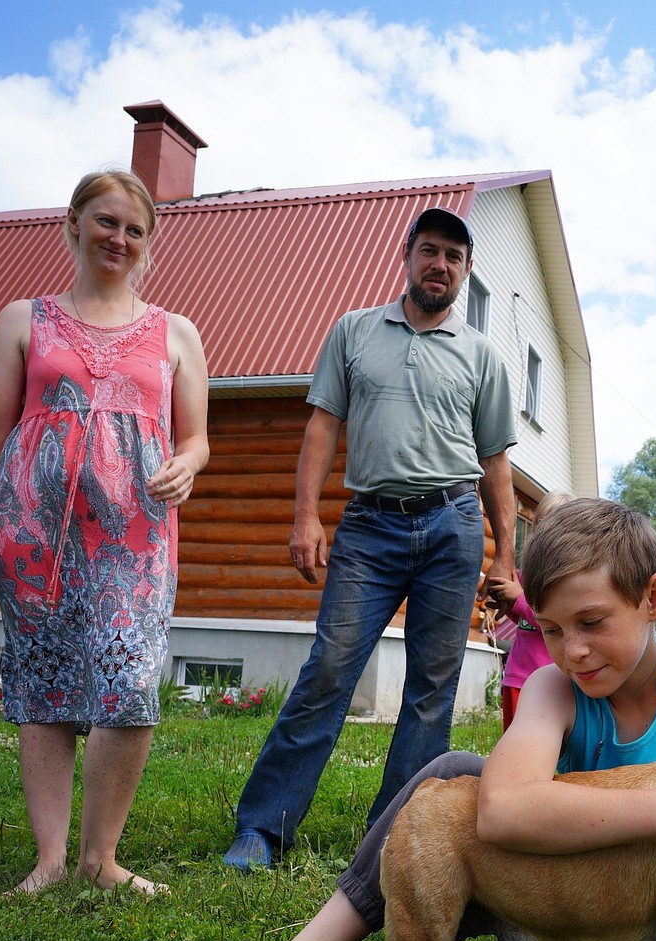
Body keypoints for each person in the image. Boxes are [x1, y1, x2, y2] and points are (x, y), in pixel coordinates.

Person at [156, 498, 656, 941]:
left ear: (655, 597)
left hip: (653, 927)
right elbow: (504, 812)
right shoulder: (554, 687)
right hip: (546, 893)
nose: (573, 651)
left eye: (592, 621)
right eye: (550, 629)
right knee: (452, 777)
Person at [222, 206, 518, 871]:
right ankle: (262, 831)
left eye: (454, 257)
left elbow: (496, 461)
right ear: (407, 256)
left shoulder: (482, 356)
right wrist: (305, 516)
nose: (440, 265)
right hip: (368, 527)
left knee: (432, 689)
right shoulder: (354, 331)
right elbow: (322, 428)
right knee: (328, 671)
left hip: (453, 525)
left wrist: (509, 557)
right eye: (430, 251)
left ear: (465, 272)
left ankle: (394, 836)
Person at [0, 168, 210, 895]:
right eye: (106, 221)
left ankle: (100, 859)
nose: (120, 238)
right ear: (73, 224)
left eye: (135, 229)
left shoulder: (177, 332)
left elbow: (197, 439)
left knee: (131, 678)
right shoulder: (24, 319)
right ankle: (49, 860)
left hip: (134, 533)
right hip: (31, 530)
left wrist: (188, 466)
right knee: (44, 678)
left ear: (149, 243)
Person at [483, 489, 574, 730]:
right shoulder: (527, 576)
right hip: (518, 676)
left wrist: (519, 598)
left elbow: (553, 620)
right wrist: (506, 599)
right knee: (513, 739)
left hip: (549, 679)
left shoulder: (568, 583)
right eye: (542, 529)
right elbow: (523, 620)